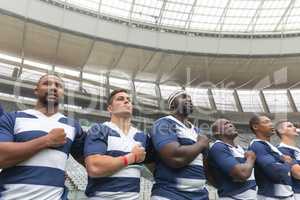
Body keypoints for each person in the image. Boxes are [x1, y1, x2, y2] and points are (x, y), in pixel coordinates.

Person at [0, 73, 86, 200]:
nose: (53, 88)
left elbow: (91, 161)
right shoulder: (12, 117)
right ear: (36, 90)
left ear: (62, 93)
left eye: (58, 86)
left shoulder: (73, 126)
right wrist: (47, 140)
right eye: (47, 84)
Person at [84, 89, 147, 200]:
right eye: (120, 99)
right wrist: (132, 157)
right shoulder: (100, 129)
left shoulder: (142, 136)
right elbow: (94, 167)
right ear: (110, 108)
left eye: (129, 100)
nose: (126, 101)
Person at [150, 90, 209, 200]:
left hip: (200, 195)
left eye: (190, 98)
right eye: (183, 97)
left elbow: (206, 166)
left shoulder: (197, 131)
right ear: (172, 104)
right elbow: (175, 157)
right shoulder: (163, 123)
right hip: (170, 194)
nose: (189, 100)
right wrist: (201, 144)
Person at [249, 115, 300, 200]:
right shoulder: (257, 145)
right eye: (266, 122)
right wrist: (288, 164)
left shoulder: (272, 148)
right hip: (272, 195)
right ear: (255, 127)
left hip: (285, 194)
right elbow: (276, 172)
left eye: (270, 121)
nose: (271, 124)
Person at [206, 118, 256, 200]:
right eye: (225, 124)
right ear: (217, 132)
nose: (230, 124)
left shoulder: (240, 149)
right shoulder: (218, 147)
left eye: (230, 123)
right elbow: (242, 173)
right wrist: (250, 158)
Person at [276, 120, 300, 199]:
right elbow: (297, 173)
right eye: (289, 126)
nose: (294, 128)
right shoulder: (282, 150)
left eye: (294, 126)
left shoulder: (296, 149)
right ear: (281, 131)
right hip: (297, 193)